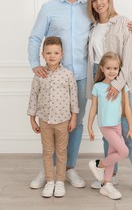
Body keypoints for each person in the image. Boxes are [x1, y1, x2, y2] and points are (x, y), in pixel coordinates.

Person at [28, 0, 132, 189]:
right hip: (54, 77)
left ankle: (68, 169)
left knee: (74, 125)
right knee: (49, 122)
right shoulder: (49, 8)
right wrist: (34, 63)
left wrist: (129, 26)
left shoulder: (90, 9)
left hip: (83, 77)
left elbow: (109, 27)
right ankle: (49, 170)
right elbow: (35, 38)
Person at [86, 0, 132, 200]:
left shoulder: (123, 23)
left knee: (130, 135)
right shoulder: (93, 27)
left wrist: (117, 84)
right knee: (109, 134)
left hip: (120, 83)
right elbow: (95, 62)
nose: (99, 3)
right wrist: (100, 85)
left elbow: (128, 58)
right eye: (94, 0)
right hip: (100, 80)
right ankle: (110, 175)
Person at [27, 36, 79, 197]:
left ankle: (60, 181)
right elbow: (33, 96)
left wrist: (74, 118)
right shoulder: (39, 75)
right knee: (48, 151)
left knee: (62, 151)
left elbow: (73, 97)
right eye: (48, 53)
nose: (52, 56)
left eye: (56, 52)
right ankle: (50, 181)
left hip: (63, 121)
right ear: (43, 55)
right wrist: (32, 118)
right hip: (44, 121)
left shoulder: (68, 75)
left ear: (61, 54)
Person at [88, 52, 132, 200]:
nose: (112, 71)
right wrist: (89, 126)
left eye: (115, 68)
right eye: (108, 68)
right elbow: (93, 108)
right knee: (124, 151)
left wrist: (131, 127)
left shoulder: (123, 87)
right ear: (102, 68)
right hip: (105, 126)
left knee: (112, 155)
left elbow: (127, 108)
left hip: (117, 126)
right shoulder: (98, 87)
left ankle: (106, 184)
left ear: (119, 69)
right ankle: (98, 164)